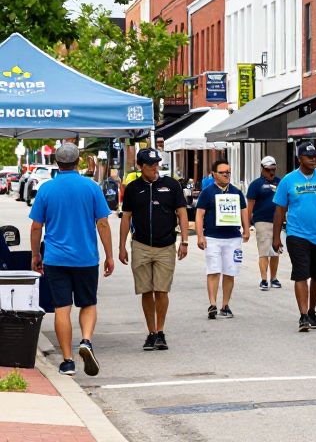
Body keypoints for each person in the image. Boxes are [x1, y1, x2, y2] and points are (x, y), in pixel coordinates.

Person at [28, 144, 114, 377]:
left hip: (56, 259)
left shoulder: (47, 189)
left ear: (57, 163)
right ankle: (85, 341)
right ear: (78, 162)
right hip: (86, 258)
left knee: (62, 308)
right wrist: (109, 255)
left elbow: (36, 226)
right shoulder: (91, 187)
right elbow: (103, 223)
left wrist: (36, 255)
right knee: (88, 303)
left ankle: (67, 361)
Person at [118, 148, 188, 351]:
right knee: (146, 290)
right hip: (141, 245)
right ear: (140, 167)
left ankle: (160, 331)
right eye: (150, 165)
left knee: (161, 289)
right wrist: (122, 246)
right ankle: (151, 332)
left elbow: (182, 213)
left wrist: (184, 241)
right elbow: (126, 217)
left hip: (166, 244)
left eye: (157, 164)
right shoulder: (133, 188)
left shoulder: (171, 185)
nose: (155, 168)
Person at [273, 141, 316, 332]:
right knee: (301, 273)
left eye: (315, 155)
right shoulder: (288, 180)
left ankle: (312, 311)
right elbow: (279, 211)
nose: (313, 159)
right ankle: (303, 315)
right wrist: (276, 237)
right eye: (309, 156)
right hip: (296, 234)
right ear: (299, 158)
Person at [195, 159, 249, 319]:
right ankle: (212, 304)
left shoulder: (236, 192)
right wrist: (200, 235)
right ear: (214, 174)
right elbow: (199, 215)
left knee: (230, 272)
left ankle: (225, 305)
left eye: (228, 172)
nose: (226, 175)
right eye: (222, 172)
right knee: (213, 270)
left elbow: (244, 211)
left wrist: (246, 229)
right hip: (212, 237)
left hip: (233, 238)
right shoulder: (207, 192)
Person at [246, 155, 283, 291]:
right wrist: (246, 224)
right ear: (262, 169)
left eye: (273, 169)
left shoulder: (280, 182)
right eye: (268, 170)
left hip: (278, 221)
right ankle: (264, 279)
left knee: (275, 251)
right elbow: (250, 206)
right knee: (264, 251)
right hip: (262, 221)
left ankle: (274, 278)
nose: (271, 172)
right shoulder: (256, 185)